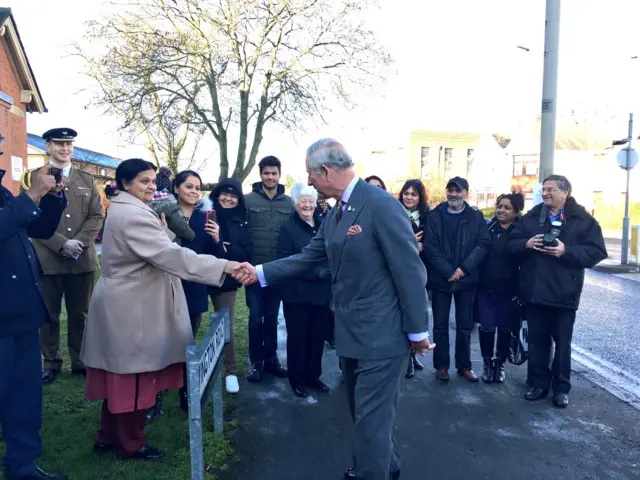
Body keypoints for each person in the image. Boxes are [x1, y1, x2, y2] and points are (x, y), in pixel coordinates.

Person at [233, 139, 433, 480]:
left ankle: (373, 472)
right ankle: (388, 466)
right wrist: (260, 272)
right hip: (351, 334)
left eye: (311, 174)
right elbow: (310, 255)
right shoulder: (339, 210)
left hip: (382, 339)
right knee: (366, 416)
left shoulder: (380, 205)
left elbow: (410, 271)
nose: (308, 181)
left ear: (326, 171)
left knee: (370, 422)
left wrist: (418, 332)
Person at [80, 159, 239, 460]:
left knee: (120, 375)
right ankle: (131, 444)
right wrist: (226, 265)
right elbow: (172, 257)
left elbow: (146, 251)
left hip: (128, 302)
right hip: (133, 308)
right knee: (134, 379)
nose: (152, 186)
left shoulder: (128, 208)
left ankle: (108, 436)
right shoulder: (133, 214)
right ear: (125, 183)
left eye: (153, 180)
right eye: (144, 181)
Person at [509, 175, 607, 407]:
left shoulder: (581, 219)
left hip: (564, 294)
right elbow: (511, 244)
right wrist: (526, 244)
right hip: (534, 292)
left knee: (562, 345)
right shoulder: (532, 217)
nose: (545, 194)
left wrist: (566, 251)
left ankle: (561, 389)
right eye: (544, 190)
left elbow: (597, 251)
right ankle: (539, 384)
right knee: (537, 342)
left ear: (565, 192)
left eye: (551, 190)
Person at [20, 128, 104, 385]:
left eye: (69, 144)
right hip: (48, 258)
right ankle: (51, 362)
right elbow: (28, 217)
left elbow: (96, 215)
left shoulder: (87, 179)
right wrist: (61, 244)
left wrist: (78, 243)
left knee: (81, 314)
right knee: (49, 315)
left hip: (82, 258)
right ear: (47, 146)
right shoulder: (34, 178)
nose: (65, 149)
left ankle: (81, 360)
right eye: (59, 144)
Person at [1, 164, 69, 480]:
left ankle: (23, 466)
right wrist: (31, 194)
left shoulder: (2, 193)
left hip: (21, 316)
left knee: (24, 400)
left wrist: (52, 197)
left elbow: (37, 228)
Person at [146, 169, 226, 420]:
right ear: (176, 188)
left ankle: (185, 390)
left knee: (186, 343)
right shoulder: (161, 213)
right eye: (189, 186)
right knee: (158, 344)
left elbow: (217, 259)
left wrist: (217, 240)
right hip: (163, 287)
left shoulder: (206, 218)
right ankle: (154, 397)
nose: (194, 191)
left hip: (192, 289)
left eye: (197, 188)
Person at [424, 176, 490, 383]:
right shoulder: (435, 216)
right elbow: (431, 246)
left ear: (465, 193)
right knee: (440, 325)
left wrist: (462, 270)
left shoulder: (476, 217)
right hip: (441, 280)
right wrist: (448, 271)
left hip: (466, 280)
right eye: (450, 190)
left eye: (458, 190)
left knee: (464, 325)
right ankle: (441, 366)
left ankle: (465, 366)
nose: (453, 194)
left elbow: (483, 244)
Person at [273, 182, 332, 398]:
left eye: (310, 201)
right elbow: (284, 260)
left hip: (322, 294)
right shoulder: (287, 228)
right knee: (298, 339)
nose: (307, 205)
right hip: (297, 295)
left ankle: (313, 376)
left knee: (317, 338)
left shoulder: (324, 224)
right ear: (295, 204)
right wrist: (316, 273)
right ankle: (297, 380)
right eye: (303, 201)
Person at [244, 155, 294, 382]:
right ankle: (256, 363)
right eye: (266, 173)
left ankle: (271, 360)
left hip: (277, 272)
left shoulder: (289, 203)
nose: (270, 177)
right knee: (256, 318)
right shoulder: (248, 201)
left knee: (272, 317)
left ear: (279, 174)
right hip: (253, 271)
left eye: (274, 173)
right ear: (260, 174)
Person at [208, 178, 254, 394]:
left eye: (233, 195)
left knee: (224, 324)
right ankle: (183, 372)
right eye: (224, 194)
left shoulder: (242, 219)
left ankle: (231, 371)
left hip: (226, 278)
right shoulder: (204, 213)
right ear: (217, 195)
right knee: (188, 324)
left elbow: (245, 251)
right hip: (198, 273)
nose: (228, 198)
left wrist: (223, 245)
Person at [476, 193, 524, 383]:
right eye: (500, 206)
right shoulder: (487, 228)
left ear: (515, 211)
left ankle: (500, 363)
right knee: (486, 326)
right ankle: (487, 362)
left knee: (505, 329)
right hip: (485, 288)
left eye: (507, 208)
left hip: (510, 290)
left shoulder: (520, 232)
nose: (501, 210)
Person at [397, 179, 430, 379]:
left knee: (419, 316)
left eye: (414, 194)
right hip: (399, 275)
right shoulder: (394, 214)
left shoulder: (427, 218)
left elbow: (432, 242)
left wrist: (423, 247)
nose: (409, 197)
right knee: (402, 316)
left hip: (420, 274)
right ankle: (405, 358)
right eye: (406, 193)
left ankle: (414, 353)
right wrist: (411, 245)